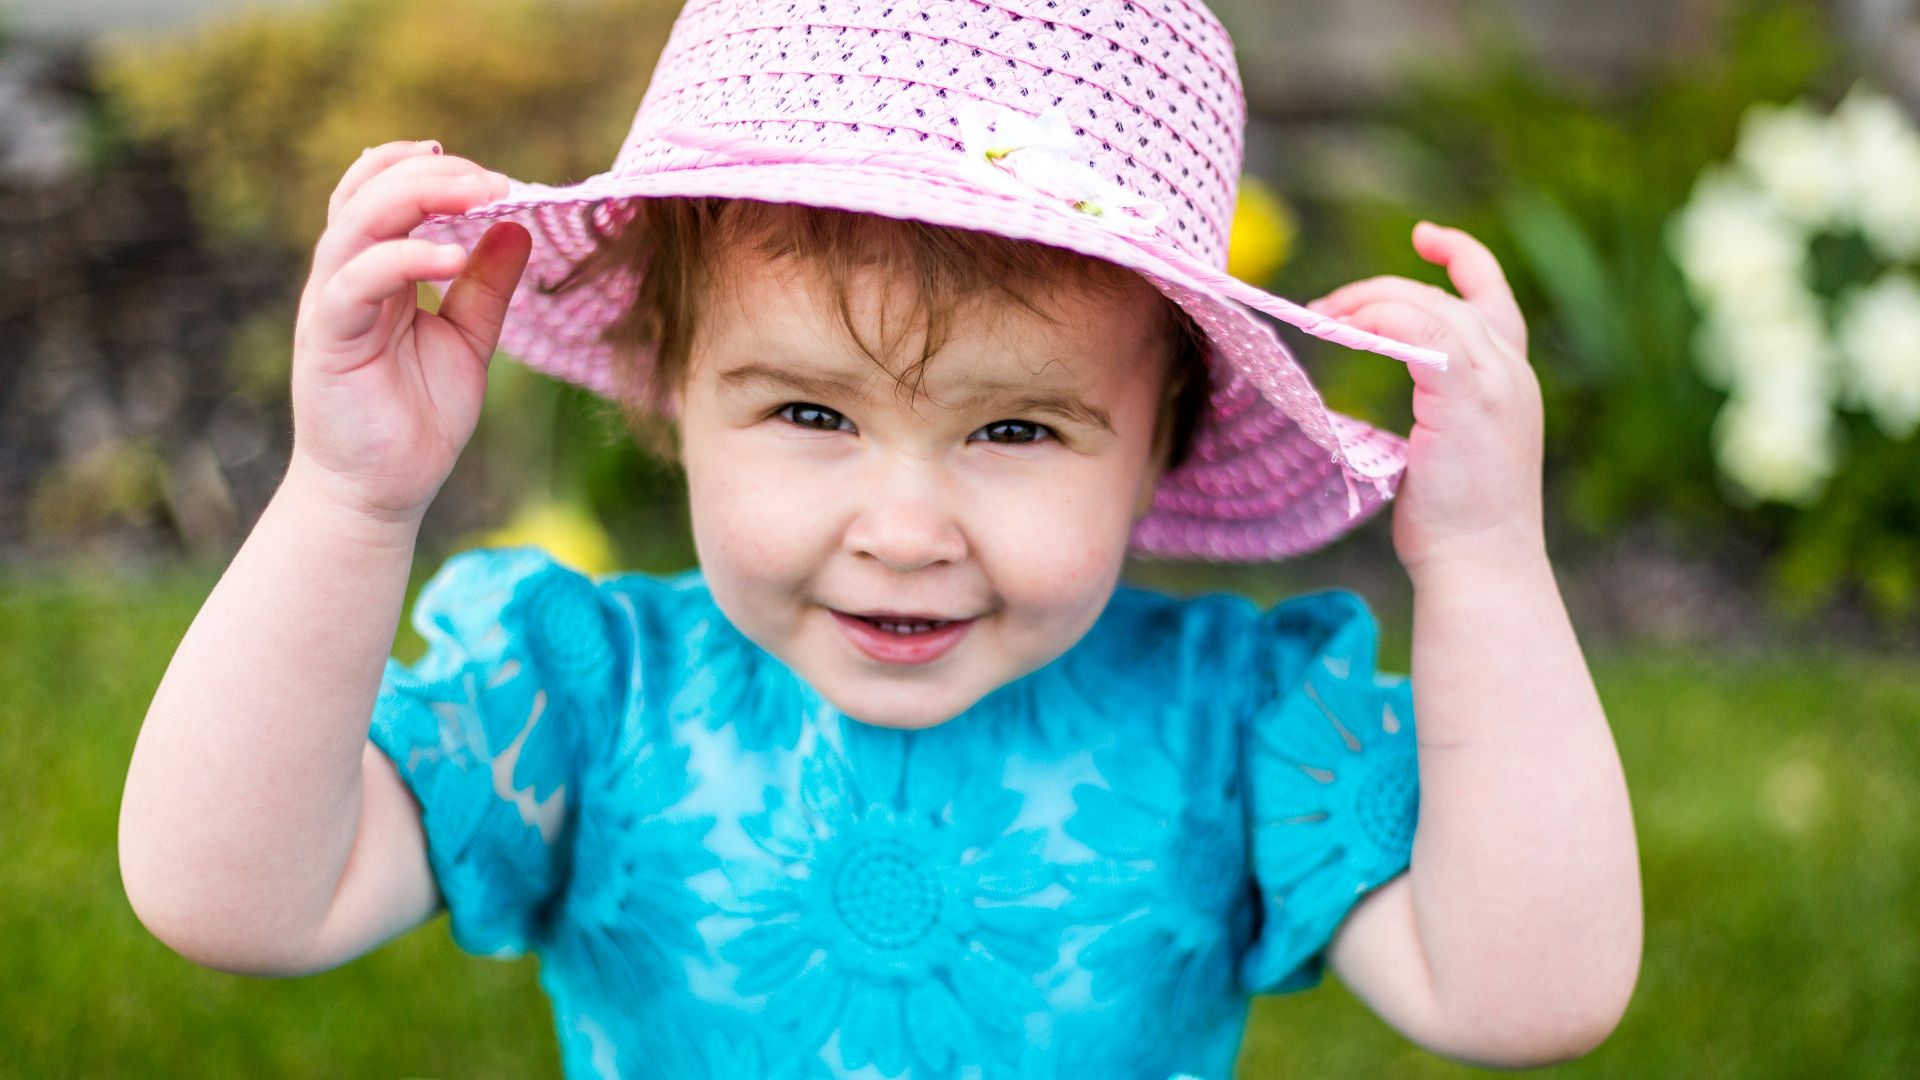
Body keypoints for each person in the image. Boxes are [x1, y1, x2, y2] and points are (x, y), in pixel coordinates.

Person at [118, 0, 1642, 1076]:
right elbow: (234, 896)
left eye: (1015, 431)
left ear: (1164, 444)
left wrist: (1490, 564)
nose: (904, 531)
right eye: (809, 416)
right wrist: (353, 497)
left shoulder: (1232, 727)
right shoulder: (583, 700)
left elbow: (1526, 998)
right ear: (673, 397)